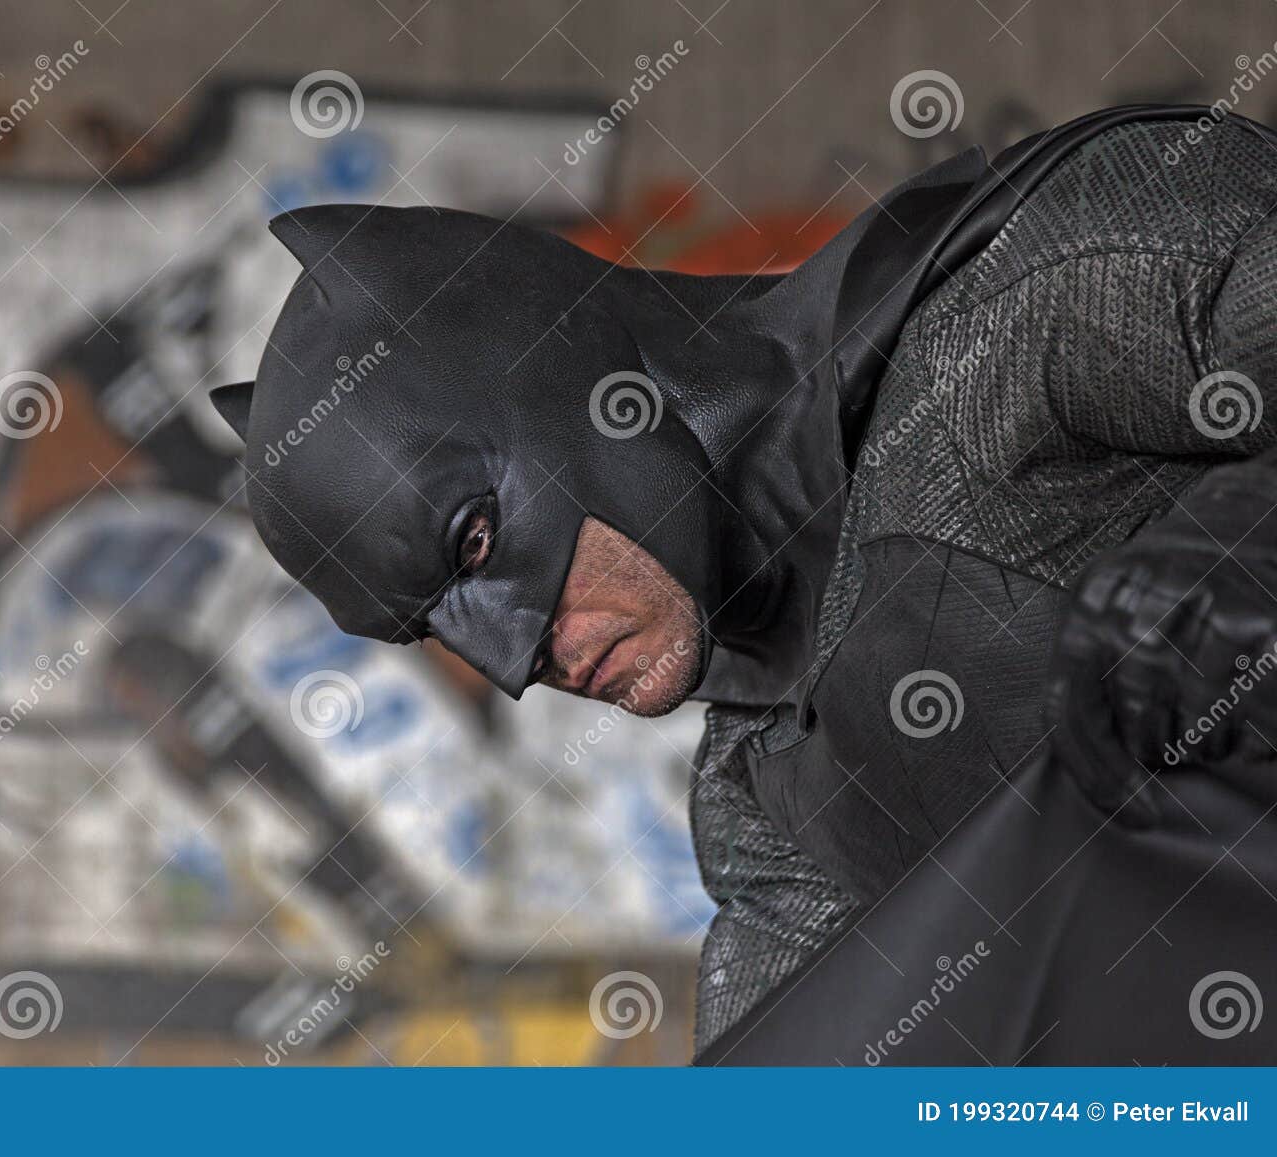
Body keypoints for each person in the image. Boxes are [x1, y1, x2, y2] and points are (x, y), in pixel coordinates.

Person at [212, 105, 1277, 1053]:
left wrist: (1233, 542)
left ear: (567, 379)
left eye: (476, 549)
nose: (509, 662)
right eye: (432, 627)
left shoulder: (1032, 316)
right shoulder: (769, 806)